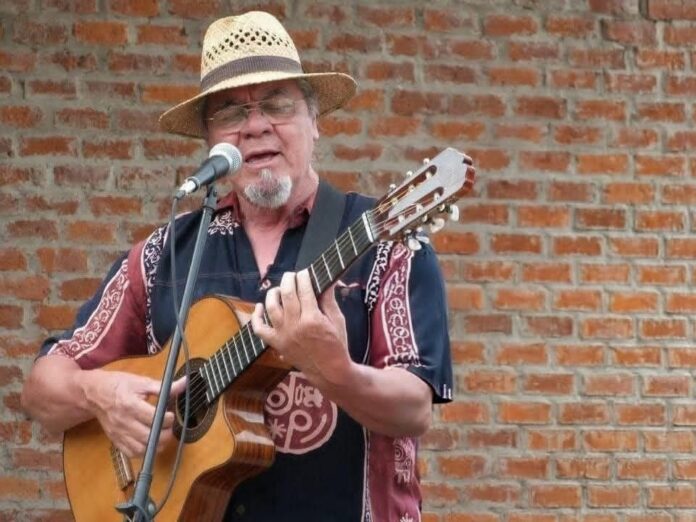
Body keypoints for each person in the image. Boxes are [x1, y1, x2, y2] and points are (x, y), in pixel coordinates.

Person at [21, 10, 453, 521]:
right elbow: (42, 388)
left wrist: (336, 373)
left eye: (277, 104)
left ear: (315, 122)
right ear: (211, 139)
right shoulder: (163, 255)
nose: (255, 125)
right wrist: (97, 393)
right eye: (230, 112)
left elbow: (414, 409)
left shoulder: (387, 243)